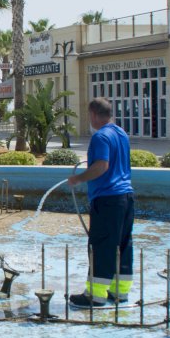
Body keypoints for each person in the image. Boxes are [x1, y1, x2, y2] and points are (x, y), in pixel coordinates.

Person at [66, 97, 135, 308]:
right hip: (126, 197)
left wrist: (78, 179)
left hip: (107, 199)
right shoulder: (121, 133)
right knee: (122, 244)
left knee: (102, 245)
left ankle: (95, 296)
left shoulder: (100, 136)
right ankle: (119, 292)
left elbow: (101, 166)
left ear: (94, 115)